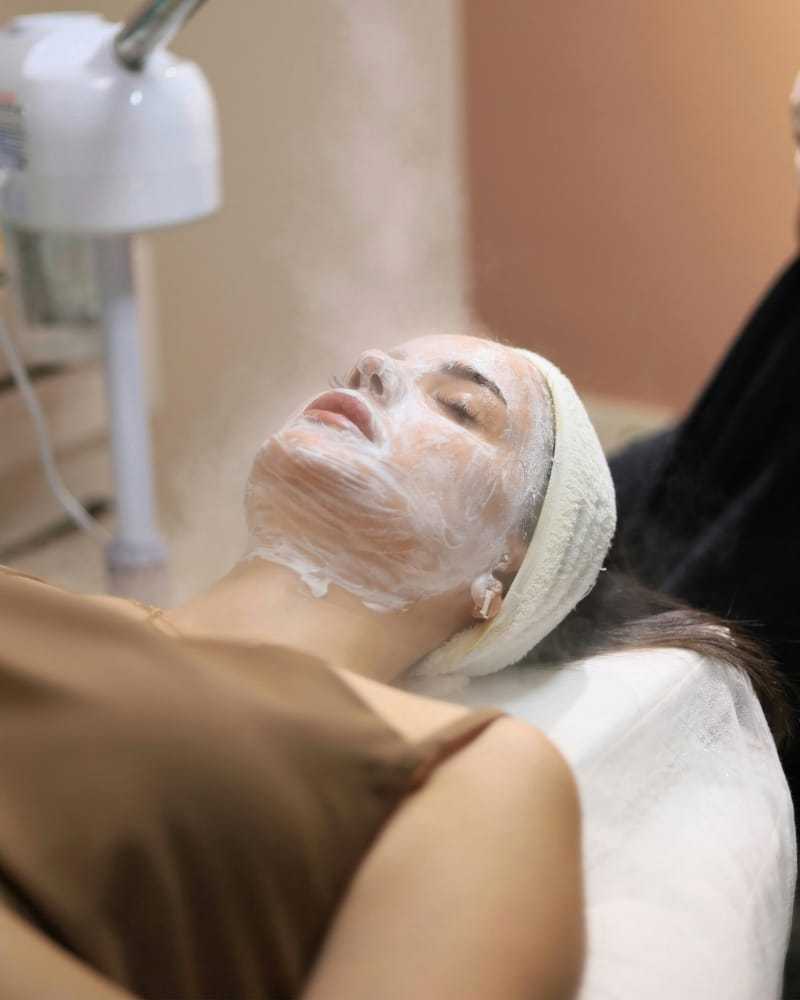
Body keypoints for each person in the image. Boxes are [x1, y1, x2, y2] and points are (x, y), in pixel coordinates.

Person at [0, 332, 785, 999]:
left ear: (504, 578)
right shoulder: (33, 599)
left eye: (459, 407)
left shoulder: (469, 775)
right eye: (361, 373)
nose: (372, 366)